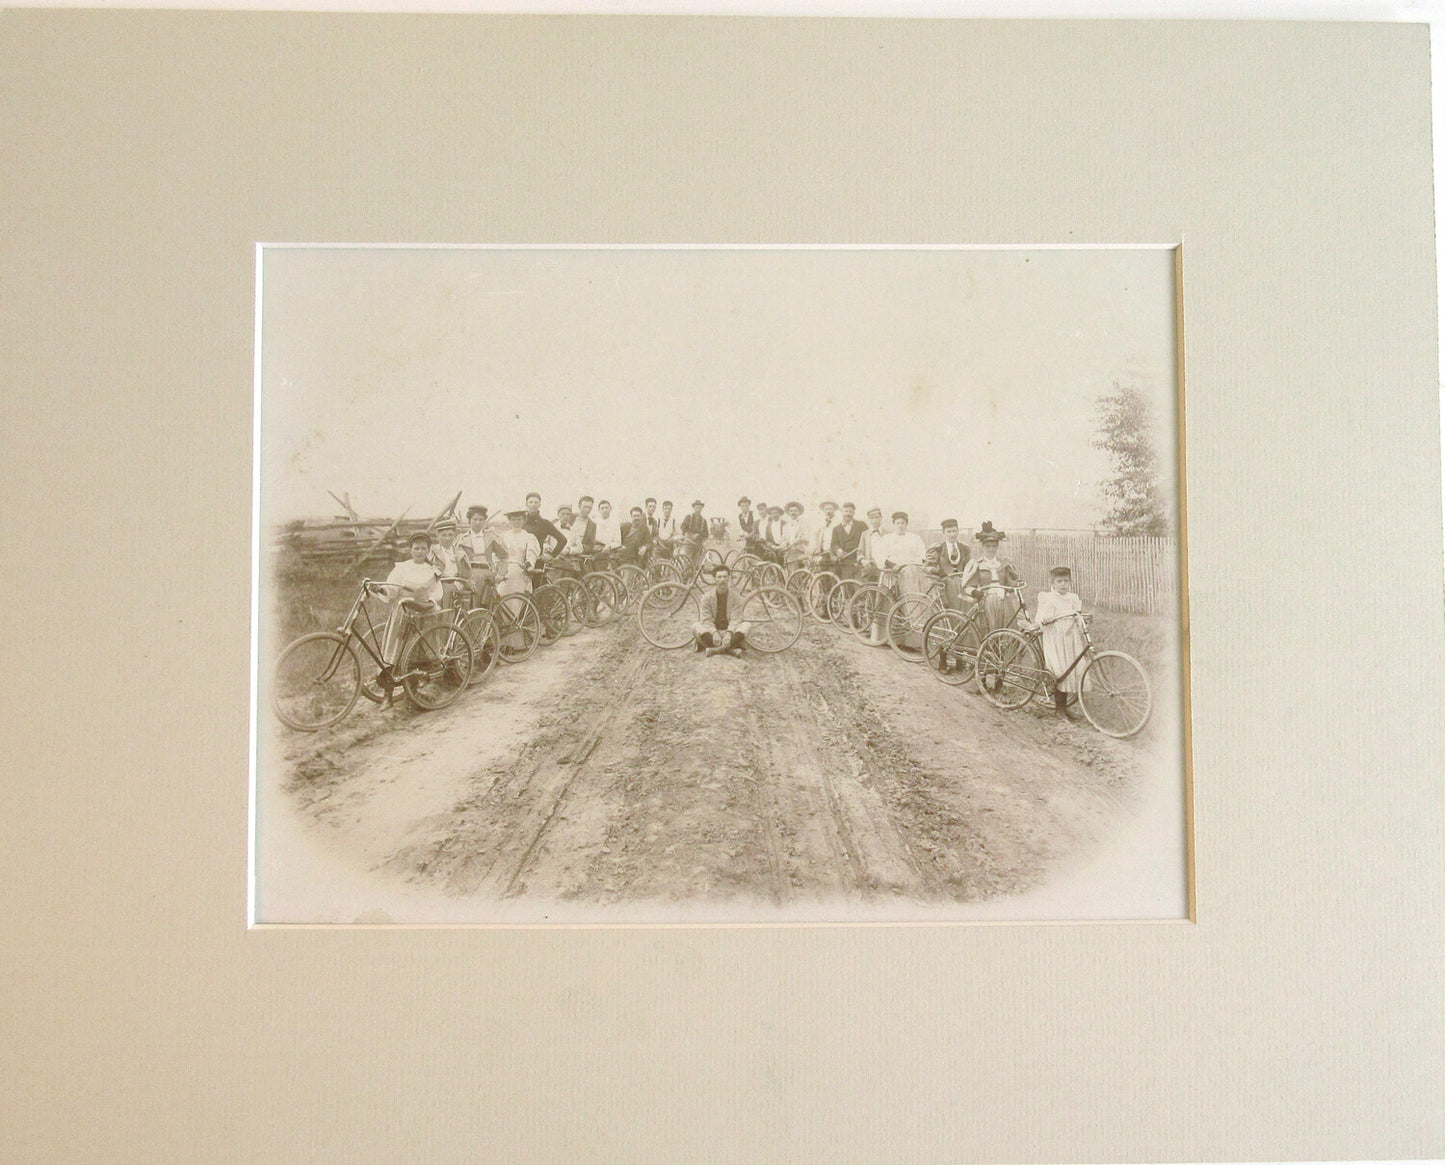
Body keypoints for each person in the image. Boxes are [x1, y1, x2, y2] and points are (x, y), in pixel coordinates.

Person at [1024, 566, 1087, 719]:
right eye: (1059, 581)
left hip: (1070, 637)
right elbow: (1040, 618)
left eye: (1066, 581)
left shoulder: (1072, 598)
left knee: (1070, 669)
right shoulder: (1048, 598)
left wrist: (1081, 619)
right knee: (1059, 671)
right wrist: (1045, 620)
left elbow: (1077, 614)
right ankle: (1059, 709)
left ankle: (1064, 707)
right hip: (1055, 637)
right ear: (1052, 583)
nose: (1063, 585)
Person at [381, 531, 444, 665]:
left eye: (423, 548)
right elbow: (391, 587)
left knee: (424, 644)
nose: (420, 552)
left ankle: (422, 671)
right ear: (410, 549)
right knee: (400, 644)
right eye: (416, 548)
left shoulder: (433, 570)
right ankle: (397, 667)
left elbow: (437, 592)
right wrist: (382, 590)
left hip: (424, 612)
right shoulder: (402, 568)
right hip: (403, 612)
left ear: (428, 550)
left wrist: (429, 601)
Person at [958, 521, 1021, 631]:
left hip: (1004, 602)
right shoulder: (976, 564)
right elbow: (967, 586)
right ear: (982, 546)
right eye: (988, 546)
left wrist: (1015, 586)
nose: (991, 549)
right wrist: (974, 592)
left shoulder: (1005, 563)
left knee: (1008, 629)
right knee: (989, 629)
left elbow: (1013, 585)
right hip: (985, 602)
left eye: (994, 546)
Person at [692, 564, 750, 657]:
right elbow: (706, 619)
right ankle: (731, 650)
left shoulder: (736, 597)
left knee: (746, 626)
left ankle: (716, 650)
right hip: (713, 633)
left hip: (730, 633)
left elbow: (736, 619)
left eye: (725, 577)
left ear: (728, 578)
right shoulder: (706, 597)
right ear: (714, 579)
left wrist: (729, 633)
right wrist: (714, 633)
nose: (722, 580)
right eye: (719, 577)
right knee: (695, 626)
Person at [925, 518, 973, 610]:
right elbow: (927, 567)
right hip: (945, 585)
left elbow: (969, 566)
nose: (952, 534)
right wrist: (939, 571)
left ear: (958, 531)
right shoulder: (938, 549)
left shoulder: (964, 548)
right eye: (949, 531)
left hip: (963, 583)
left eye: (954, 531)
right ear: (944, 532)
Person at [496, 509, 542, 595]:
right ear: (509, 521)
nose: (516, 522)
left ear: (524, 520)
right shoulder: (503, 536)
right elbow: (497, 554)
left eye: (519, 519)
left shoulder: (528, 537)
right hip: (504, 570)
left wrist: (527, 564)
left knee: (516, 597)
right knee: (500, 594)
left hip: (519, 570)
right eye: (513, 519)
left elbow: (532, 555)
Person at [522, 491, 566, 562]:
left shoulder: (545, 523)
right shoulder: (520, 522)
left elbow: (562, 540)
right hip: (520, 560)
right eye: (531, 502)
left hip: (537, 561)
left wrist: (552, 555)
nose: (533, 505)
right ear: (526, 504)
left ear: (539, 505)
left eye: (536, 502)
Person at [828, 502, 866, 580]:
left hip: (859, 562)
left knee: (860, 586)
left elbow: (868, 539)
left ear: (854, 513)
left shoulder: (861, 525)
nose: (848, 514)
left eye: (850, 512)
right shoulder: (836, 529)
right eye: (846, 511)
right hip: (845, 563)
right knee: (847, 587)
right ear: (842, 512)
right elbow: (834, 544)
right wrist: (838, 550)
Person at [781, 501, 810, 569]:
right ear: (788, 513)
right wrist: (784, 543)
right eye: (791, 511)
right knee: (793, 574)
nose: (793, 513)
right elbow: (783, 539)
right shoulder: (786, 526)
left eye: (795, 511)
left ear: (799, 512)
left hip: (802, 551)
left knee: (808, 571)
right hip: (790, 553)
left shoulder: (805, 524)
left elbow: (808, 537)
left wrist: (800, 539)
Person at [680, 499, 707, 566]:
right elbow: (683, 526)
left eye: (699, 508)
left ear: (702, 508)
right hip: (688, 543)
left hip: (698, 544)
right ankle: (685, 575)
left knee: (695, 563)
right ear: (694, 508)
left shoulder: (704, 521)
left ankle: (693, 575)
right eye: (696, 508)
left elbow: (706, 534)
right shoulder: (689, 517)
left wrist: (698, 535)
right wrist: (687, 532)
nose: (698, 509)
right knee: (686, 561)